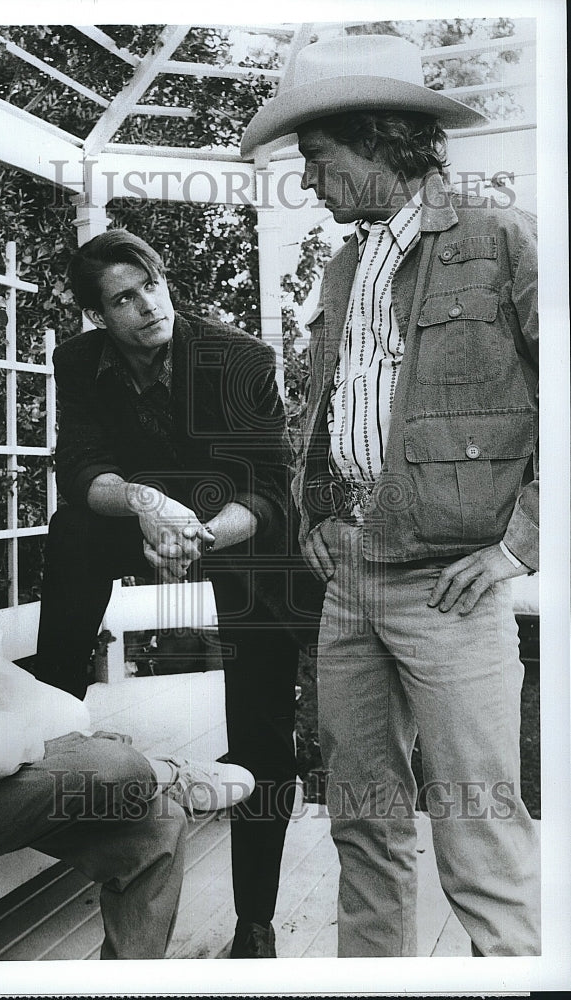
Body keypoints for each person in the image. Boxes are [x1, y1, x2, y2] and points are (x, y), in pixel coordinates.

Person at [242, 33, 540, 957]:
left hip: (454, 586)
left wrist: (516, 543)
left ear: (377, 140)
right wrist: (318, 511)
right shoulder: (344, 267)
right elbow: (335, 410)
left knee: (478, 832)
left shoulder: (500, 241)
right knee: (361, 825)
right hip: (350, 586)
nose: (312, 184)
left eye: (319, 162)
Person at [0, 352, 255, 961]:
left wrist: (72, 728)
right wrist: (48, 748)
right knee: (119, 771)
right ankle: (161, 766)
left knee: (153, 826)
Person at [31, 229, 324, 958]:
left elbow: (267, 490)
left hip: (237, 530)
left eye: (150, 286)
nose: (145, 306)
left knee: (261, 727)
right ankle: (51, 714)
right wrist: (144, 505)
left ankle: (253, 922)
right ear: (98, 316)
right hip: (142, 515)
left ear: (165, 281)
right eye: (122, 299)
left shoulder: (240, 358)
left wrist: (197, 534)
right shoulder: (78, 360)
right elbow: (80, 469)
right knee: (71, 530)